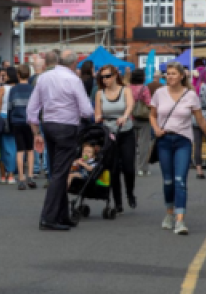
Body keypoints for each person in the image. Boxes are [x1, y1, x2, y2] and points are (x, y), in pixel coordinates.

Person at [26, 50, 94, 231]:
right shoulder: (73, 80)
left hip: (48, 125)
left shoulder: (43, 78)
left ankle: (62, 215)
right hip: (66, 127)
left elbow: (32, 108)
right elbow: (87, 110)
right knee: (60, 173)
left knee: (59, 170)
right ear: (74, 64)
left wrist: (36, 132)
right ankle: (48, 217)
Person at [150, 62, 206, 236]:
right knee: (168, 181)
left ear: (182, 76)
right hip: (164, 140)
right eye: (168, 74)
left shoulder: (190, 95)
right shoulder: (159, 93)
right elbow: (152, 115)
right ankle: (169, 213)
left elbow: (200, 119)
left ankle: (180, 221)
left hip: (183, 141)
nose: (170, 76)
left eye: (173, 73)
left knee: (180, 180)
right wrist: (156, 129)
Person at [93, 65, 136, 213]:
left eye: (108, 76)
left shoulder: (125, 90)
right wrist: (98, 117)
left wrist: (125, 116)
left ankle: (130, 192)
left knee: (128, 167)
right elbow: (97, 114)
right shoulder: (100, 93)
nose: (105, 79)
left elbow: (130, 105)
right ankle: (118, 202)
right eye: (102, 77)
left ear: (116, 75)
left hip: (126, 132)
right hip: (109, 134)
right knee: (114, 169)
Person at [8, 65, 36, 190]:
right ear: (29, 75)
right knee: (30, 150)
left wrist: (10, 122)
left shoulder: (13, 90)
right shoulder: (32, 89)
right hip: (30, 122)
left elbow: (10, 107)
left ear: (18, 75)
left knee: (20, 151)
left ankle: (21, 178)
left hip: (17, 122)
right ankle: (30, 176)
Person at [0, 67, 19, 184]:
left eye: (5, 75)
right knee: (12, 147)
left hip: (3, 118)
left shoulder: (2, 89)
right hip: (15, 118)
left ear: (9, 76)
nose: (3, 77)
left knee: (3, 147)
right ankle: (11, 175)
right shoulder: (17, 89)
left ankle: (4, 175)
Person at [130, 69, 153, 178]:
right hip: (143, 118)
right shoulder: (144, 88)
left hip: (130, 118)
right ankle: (142, 168)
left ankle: (131, 166)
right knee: (144, 144)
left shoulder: (127, 88)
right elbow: (149, 103)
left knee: (130, 145)